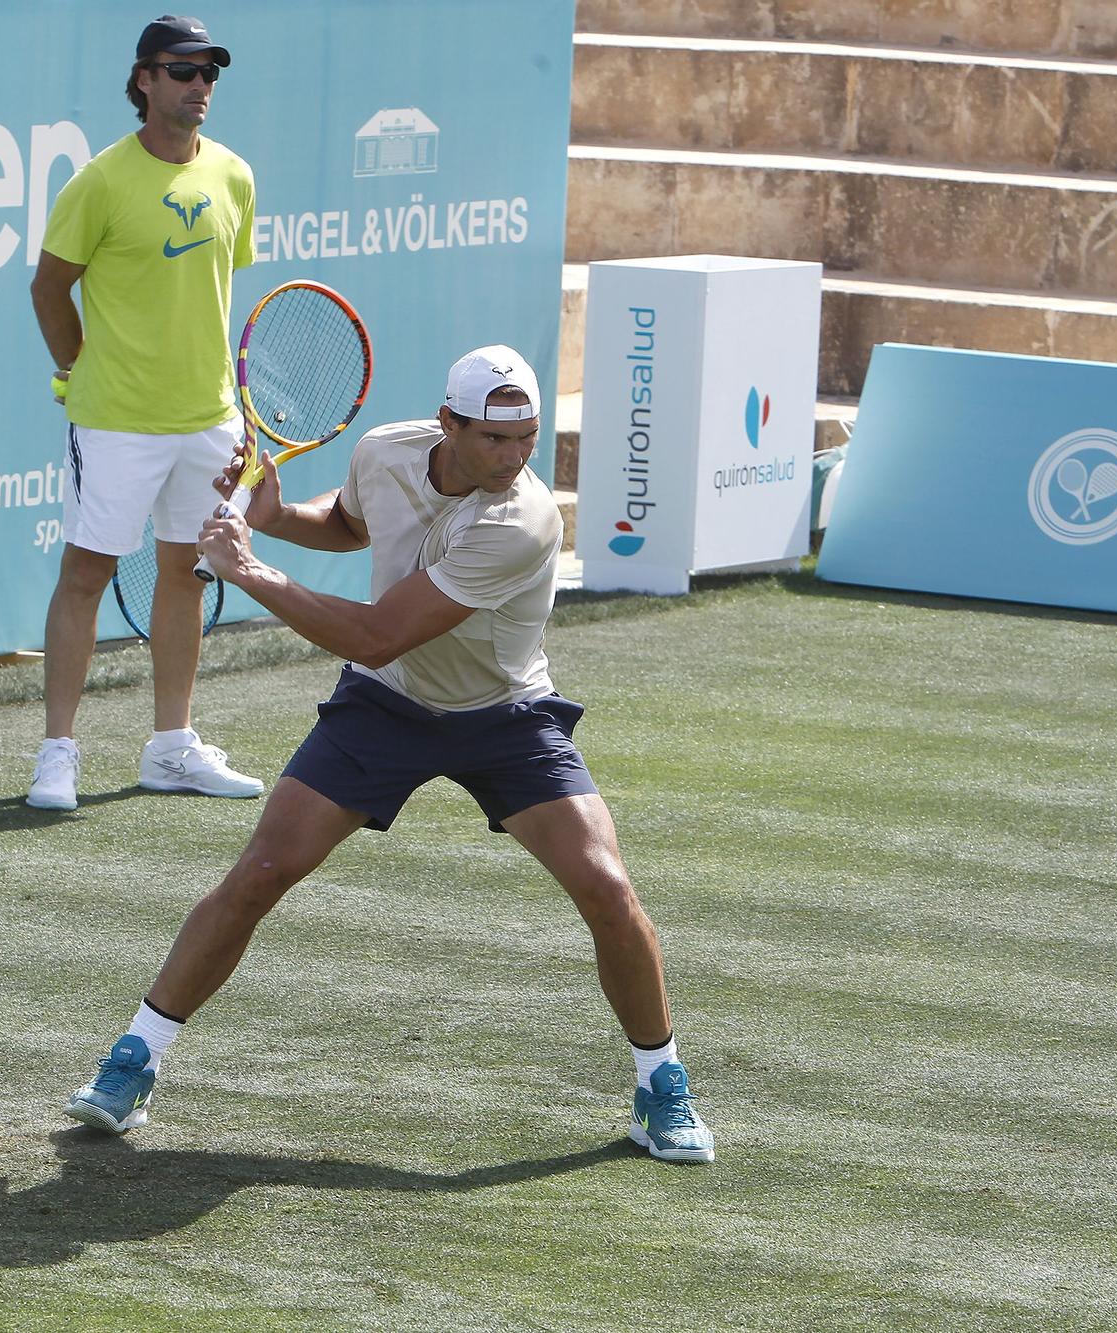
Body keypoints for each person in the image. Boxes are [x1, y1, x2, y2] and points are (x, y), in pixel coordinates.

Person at [61, 346, 716, 1163]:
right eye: (494, 439)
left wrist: (252, 571)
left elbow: (378, 631)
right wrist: (272, 514)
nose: (514, 459)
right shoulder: (387, 451)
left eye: (528, 440)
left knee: (607, 888)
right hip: (387, 704)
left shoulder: (523, 519)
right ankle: (133, 1059)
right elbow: (348, 524)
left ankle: (662, 1084)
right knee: (259, 873)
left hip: (505, 714)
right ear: (448, 424)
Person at [25, 14, 263, 809]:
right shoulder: (98, 181)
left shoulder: (233, 175)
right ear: (144, 80)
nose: (199, 86)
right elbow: (48, 286)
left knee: (185, 575)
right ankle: (57, 753)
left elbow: (215, 296)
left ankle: (172, 747)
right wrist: (75, 365)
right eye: (182, 71)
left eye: (209, 74)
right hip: (117, 419)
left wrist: (233, 408)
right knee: (86, 574)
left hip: (207, 418)